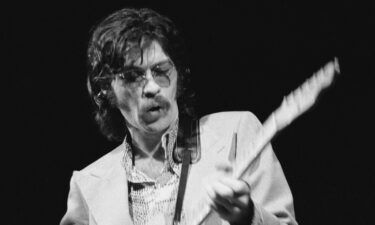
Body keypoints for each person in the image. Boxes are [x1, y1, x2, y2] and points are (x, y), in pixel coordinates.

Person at [60, 8, 297, 225]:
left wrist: (249, 216)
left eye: (161, 71)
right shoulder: (88, 186)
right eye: (133, 76)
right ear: (106, 91)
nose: (152, 87)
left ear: (179, 76)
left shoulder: (236, 132)